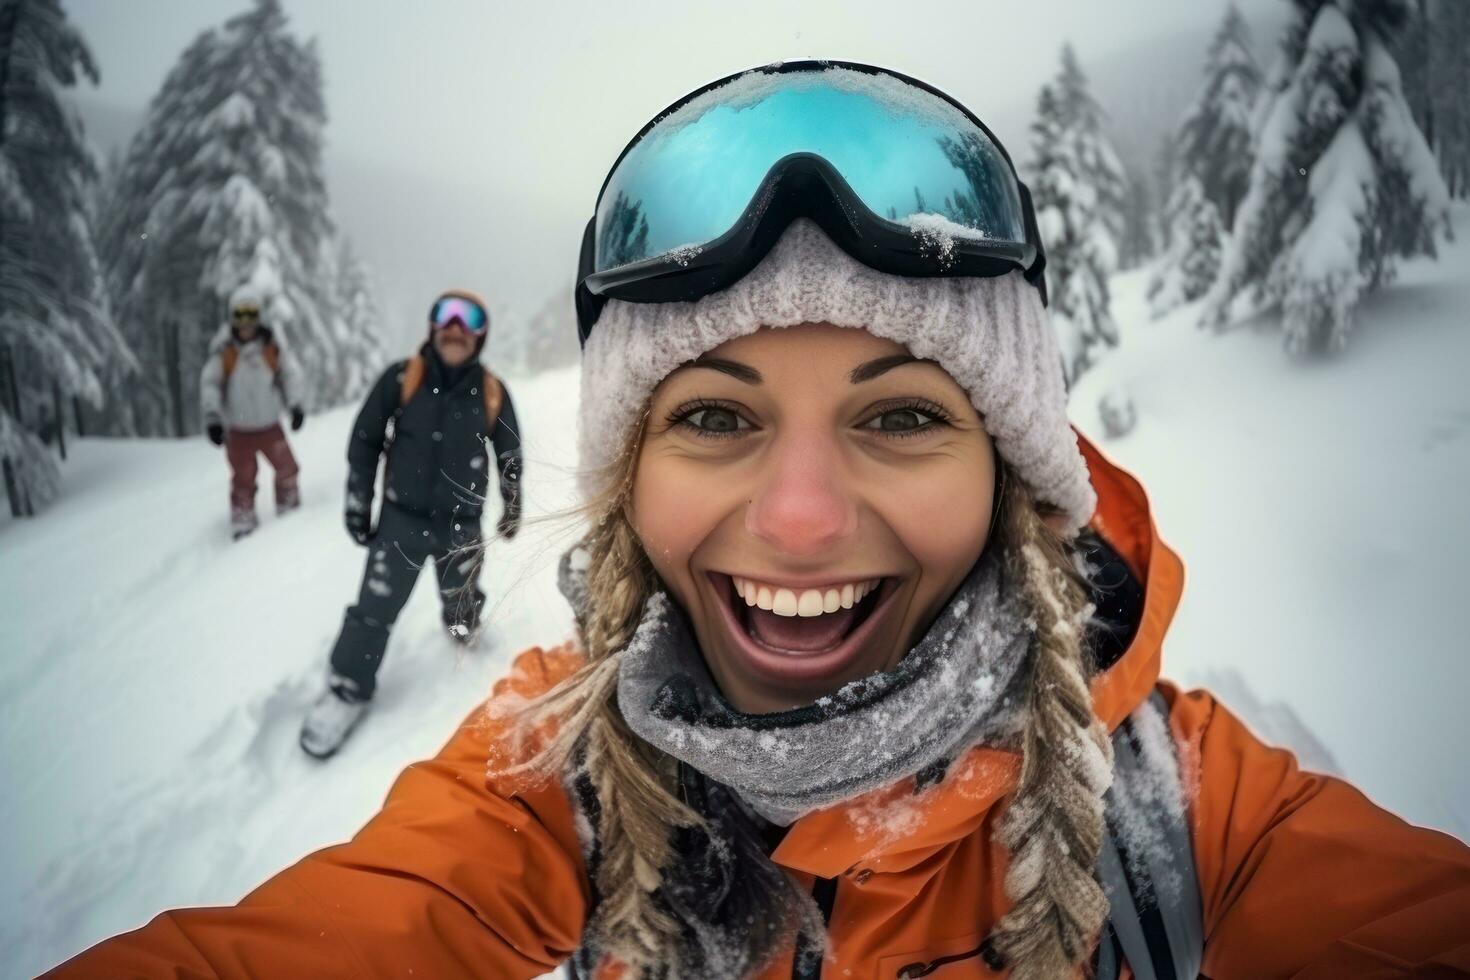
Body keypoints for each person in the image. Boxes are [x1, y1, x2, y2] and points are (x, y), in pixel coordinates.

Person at [49, 62, 1470, 979]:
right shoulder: (561, 778)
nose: (797, 522)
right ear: (629, 475)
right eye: (714, 417)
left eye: (902, 415)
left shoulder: (1179, 814)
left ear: (1017, 472)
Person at [298, 289, 523, 760]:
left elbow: (510, 455)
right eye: (446, 314)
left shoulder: (492, 391)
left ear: (481, 334)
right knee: (375, 608)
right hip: (400, 522)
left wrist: (513, 506)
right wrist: (358, 504)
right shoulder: (402, 378)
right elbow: (365, 441)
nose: (456, 326)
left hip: (461, 527)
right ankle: (346, 688)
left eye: (470, 318)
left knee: (460, 599)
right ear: (432, 326)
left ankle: (463, 631)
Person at [200, 285, 306, 540]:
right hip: (239, 431)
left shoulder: (271, 348)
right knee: (244, 478)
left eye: (251, 314)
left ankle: (289, 507)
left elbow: (289, 375)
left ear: (259, 317)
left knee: (287, 467)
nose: (246, 322)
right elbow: (210, 384)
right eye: (240, 315)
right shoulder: (226, 352)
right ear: (232, 318)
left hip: (270, 425)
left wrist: (296, 404)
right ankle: (243, 519)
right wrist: (213, 417)